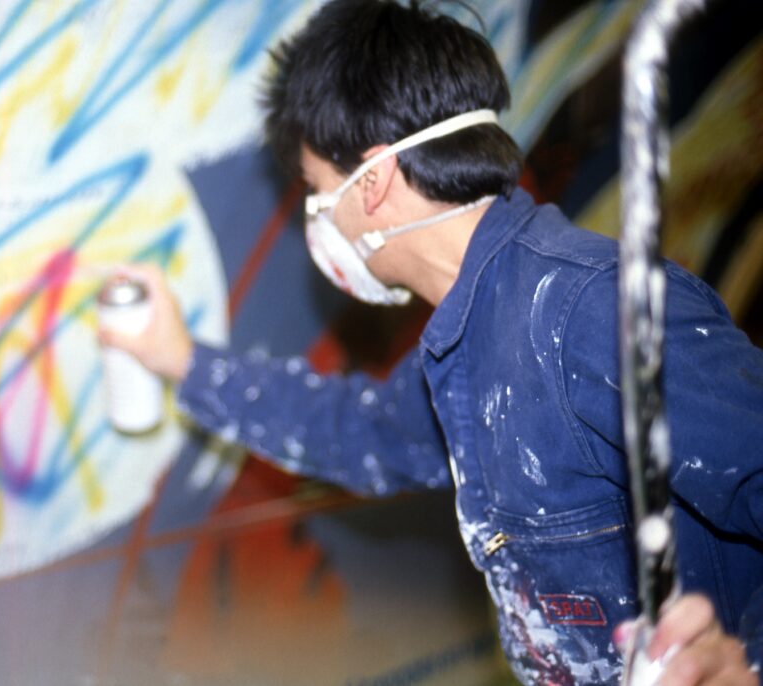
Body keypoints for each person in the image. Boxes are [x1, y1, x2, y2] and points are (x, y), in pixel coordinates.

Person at [99, 1, 763, 683]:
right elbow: (360, 434)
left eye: (317, 191)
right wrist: (183, 362)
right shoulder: (467, 341)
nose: (317, 222)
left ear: (374, 180)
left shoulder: (595, 311)